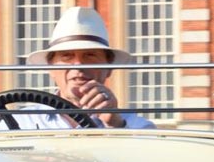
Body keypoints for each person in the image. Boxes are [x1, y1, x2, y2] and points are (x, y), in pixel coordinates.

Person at [12, 7, 152, 130]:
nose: (78, 64)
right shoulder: (22, 121)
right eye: (67, 56)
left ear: (109, 68)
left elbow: (146, 151)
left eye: (90, 55)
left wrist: (115, 124)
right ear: (50, 68)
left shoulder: (135, 125)